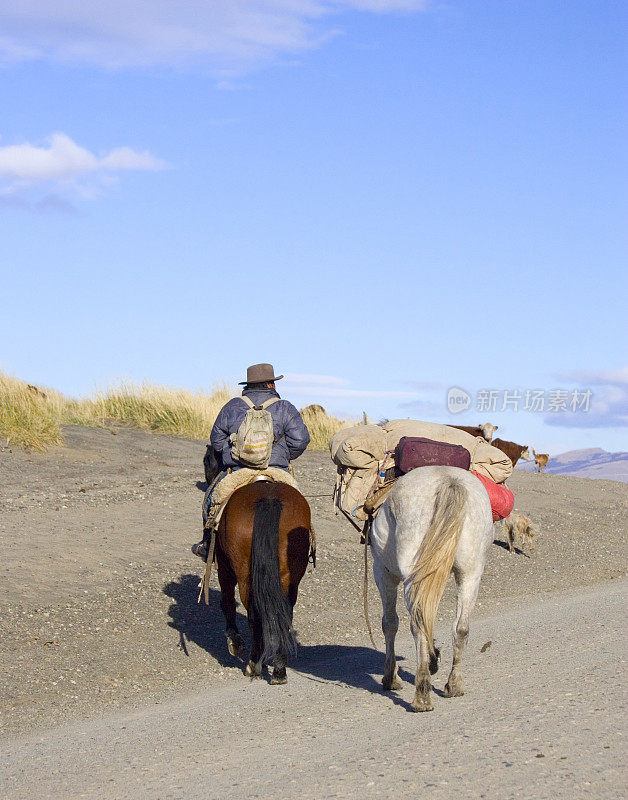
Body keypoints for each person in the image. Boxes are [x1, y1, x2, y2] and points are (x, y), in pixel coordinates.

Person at [192, 363, 310, 560]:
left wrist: (232, 455)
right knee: (298, 505)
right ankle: (306, 547)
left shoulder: (232, 406)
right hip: (277, 471)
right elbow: (301, 440)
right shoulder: (285, 407)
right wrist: (283, 456)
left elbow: (216, 440)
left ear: (248, 385)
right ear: (271, 385)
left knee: (211, 502)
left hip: (239, 470)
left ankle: (207, 544)